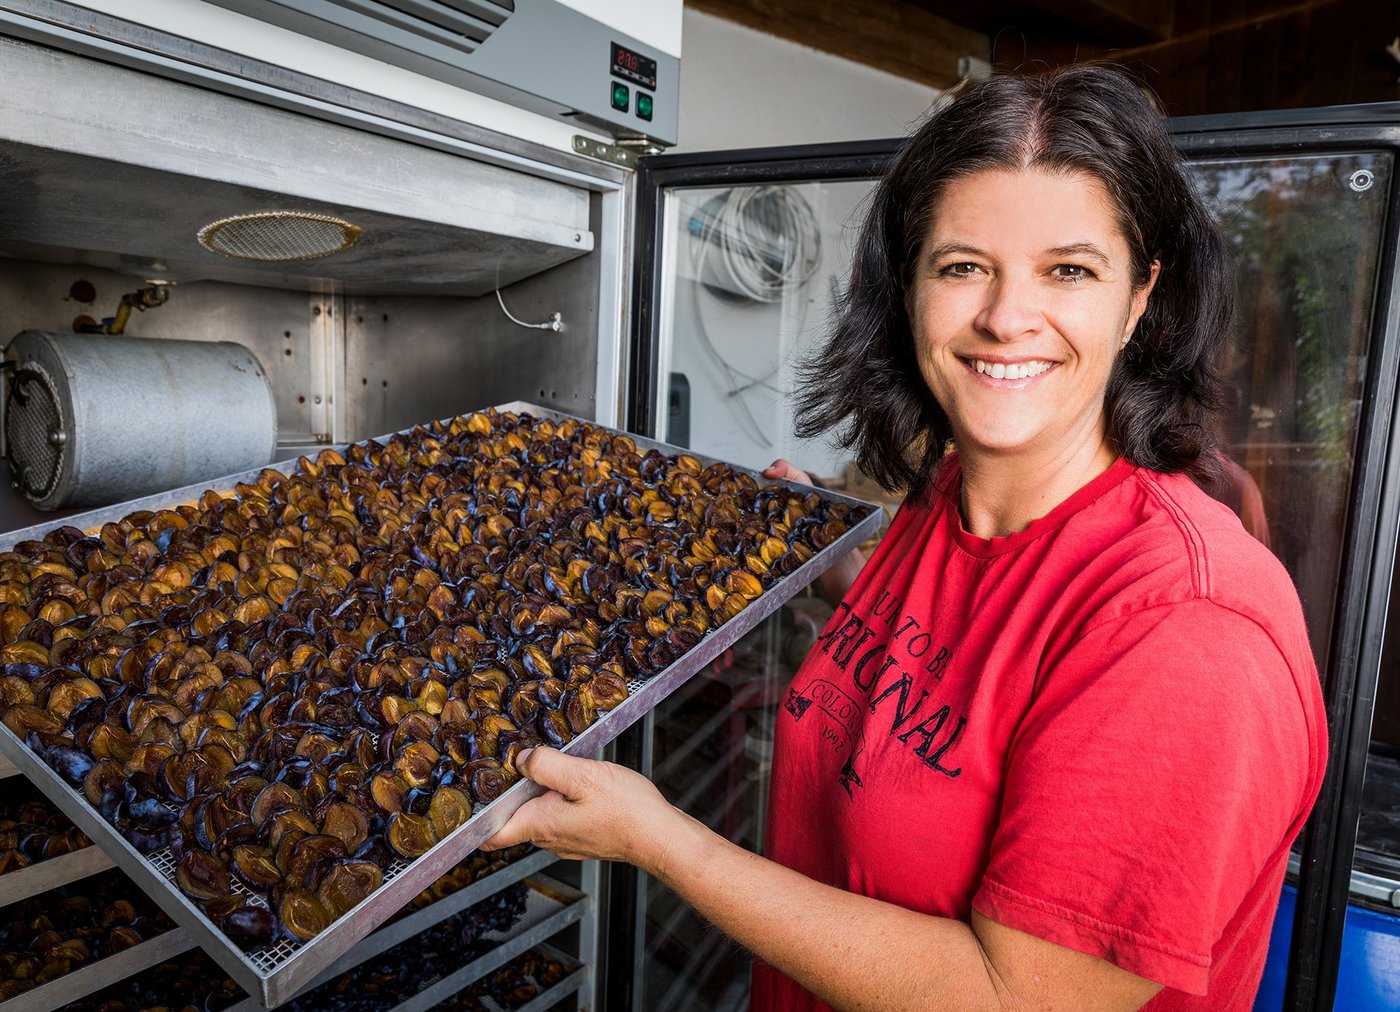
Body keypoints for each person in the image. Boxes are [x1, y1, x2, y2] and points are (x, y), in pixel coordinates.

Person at [483, 65, 1327, 1011]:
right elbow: (971, 666)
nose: (1006, 317)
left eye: (1069, 270)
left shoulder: (1189, 626)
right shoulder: (948, 497)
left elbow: (1014, 1000)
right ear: (909, 285)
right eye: (963, 266)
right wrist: (834, 570)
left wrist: (661, 841)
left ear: (1139, 298)